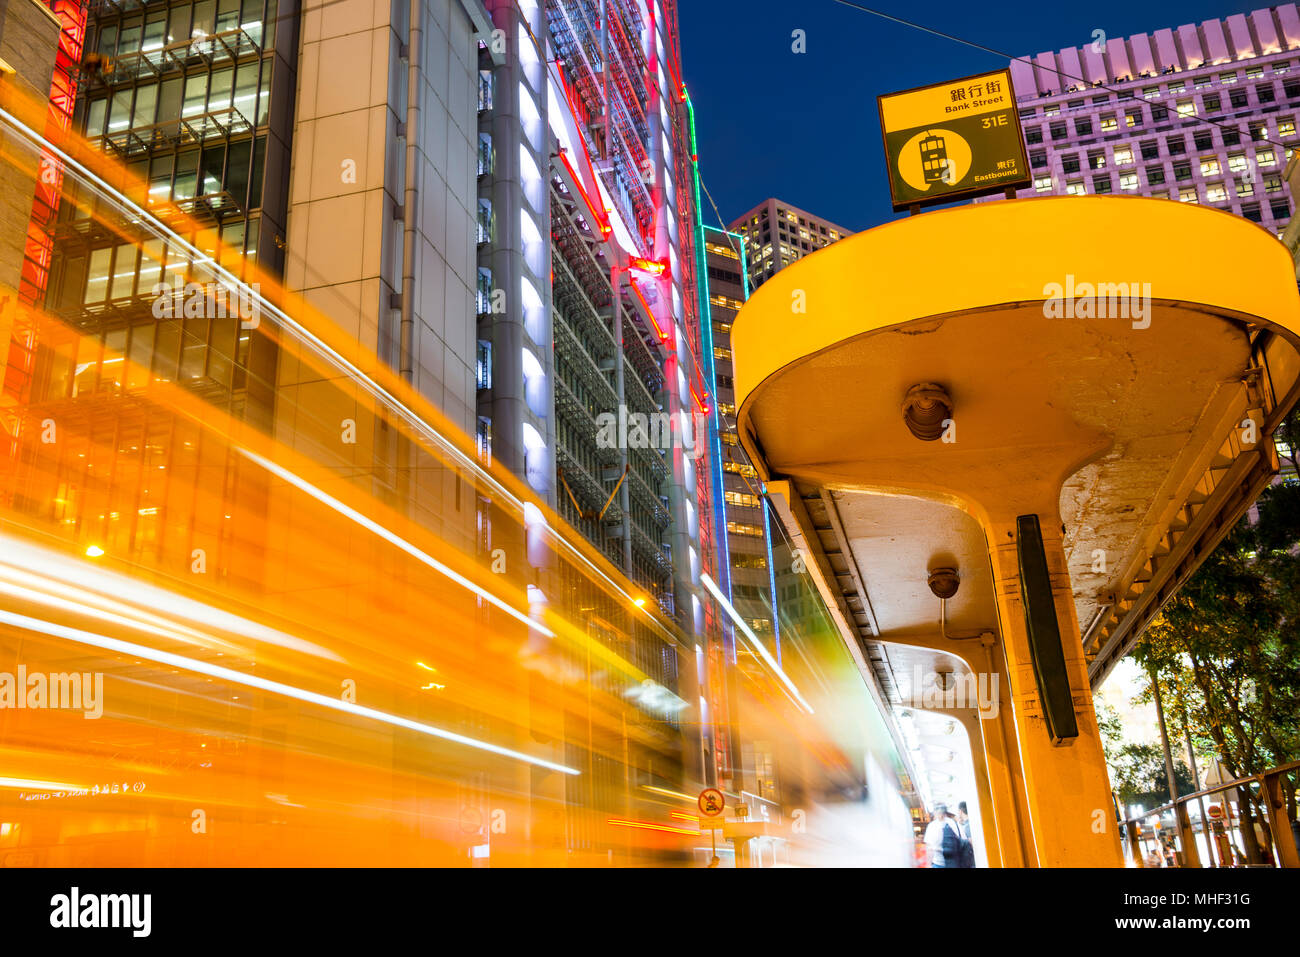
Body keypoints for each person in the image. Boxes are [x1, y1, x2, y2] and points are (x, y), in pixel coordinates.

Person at [955, 801, 976, 868]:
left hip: (972, 860)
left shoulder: (967, 826)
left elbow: (972, 843)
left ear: (960, 811)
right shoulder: (968, 823)